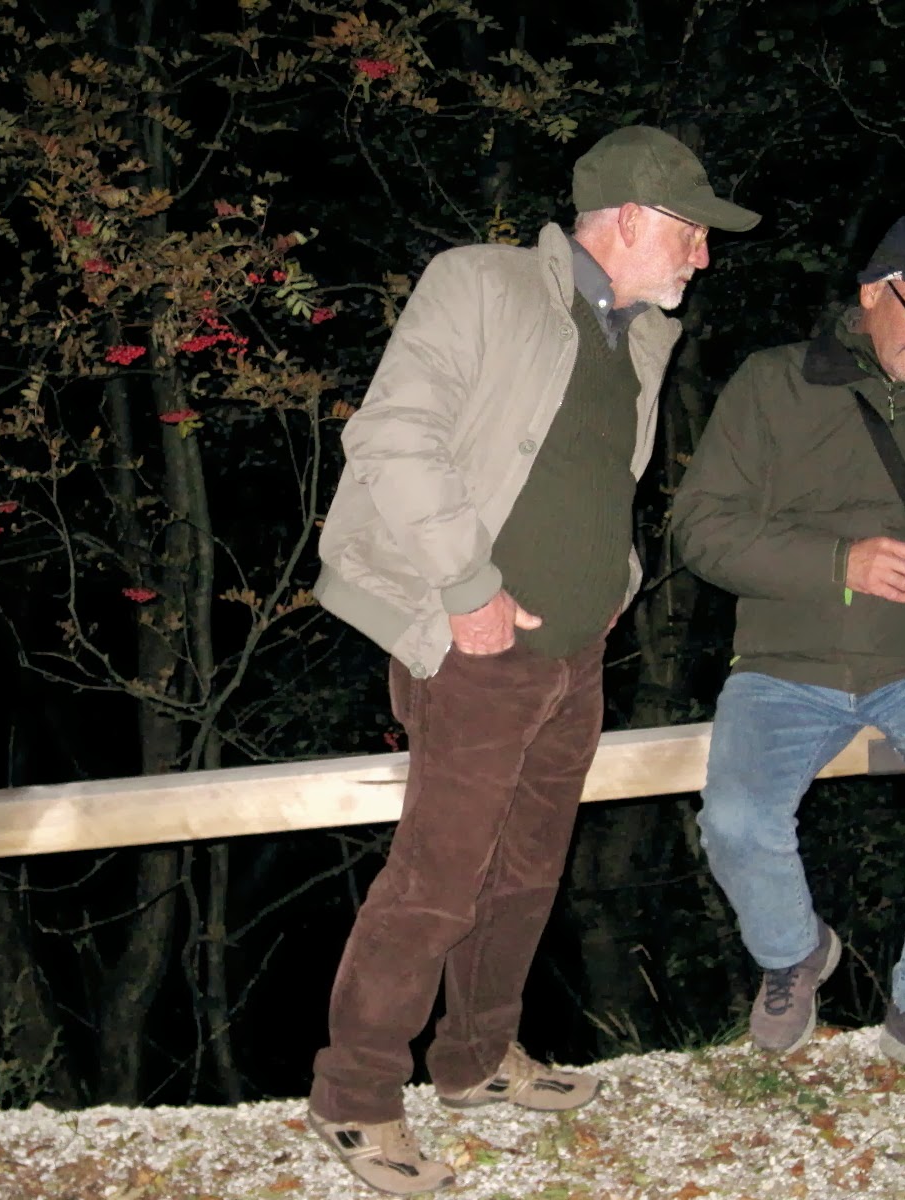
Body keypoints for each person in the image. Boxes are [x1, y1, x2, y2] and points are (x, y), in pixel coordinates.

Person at [310, 126, 759, 1194]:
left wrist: (615, 587)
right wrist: (469, 589)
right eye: (691, 233)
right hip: (477, 649)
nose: (703, 256)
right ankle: (355, 1095)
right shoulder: (483, 284)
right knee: (438, 880)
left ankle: (474, 1059)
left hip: (574, 651)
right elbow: (391, 435)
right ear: (631, 219)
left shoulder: (639, 339)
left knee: (526, 874)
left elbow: (603, 481)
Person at [671, 213, 905, 1100]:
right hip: (785, 660)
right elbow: (701, 529)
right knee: (736, 821)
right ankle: (794, 950)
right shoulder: (776, 382)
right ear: (873, 291)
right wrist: (837, 563)